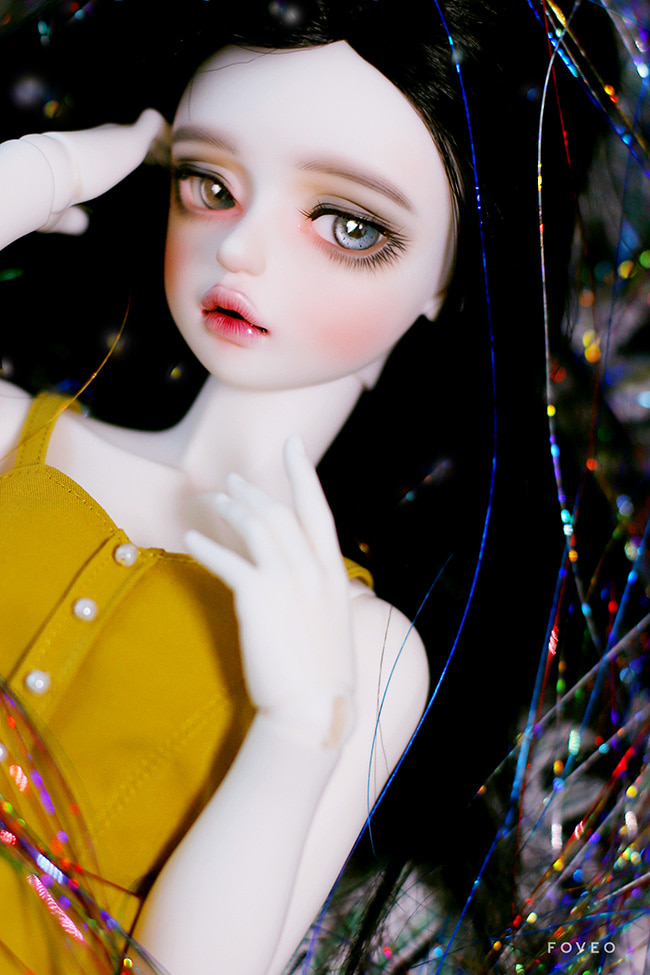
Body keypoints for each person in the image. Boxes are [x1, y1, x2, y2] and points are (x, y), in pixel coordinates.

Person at [0, 1, 618, 973]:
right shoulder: (12, 438)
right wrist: (38, 174)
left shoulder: (361, 652)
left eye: (348, 224)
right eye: (210, 183)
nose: (240, 248)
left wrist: (292, 738)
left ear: (449, 277)